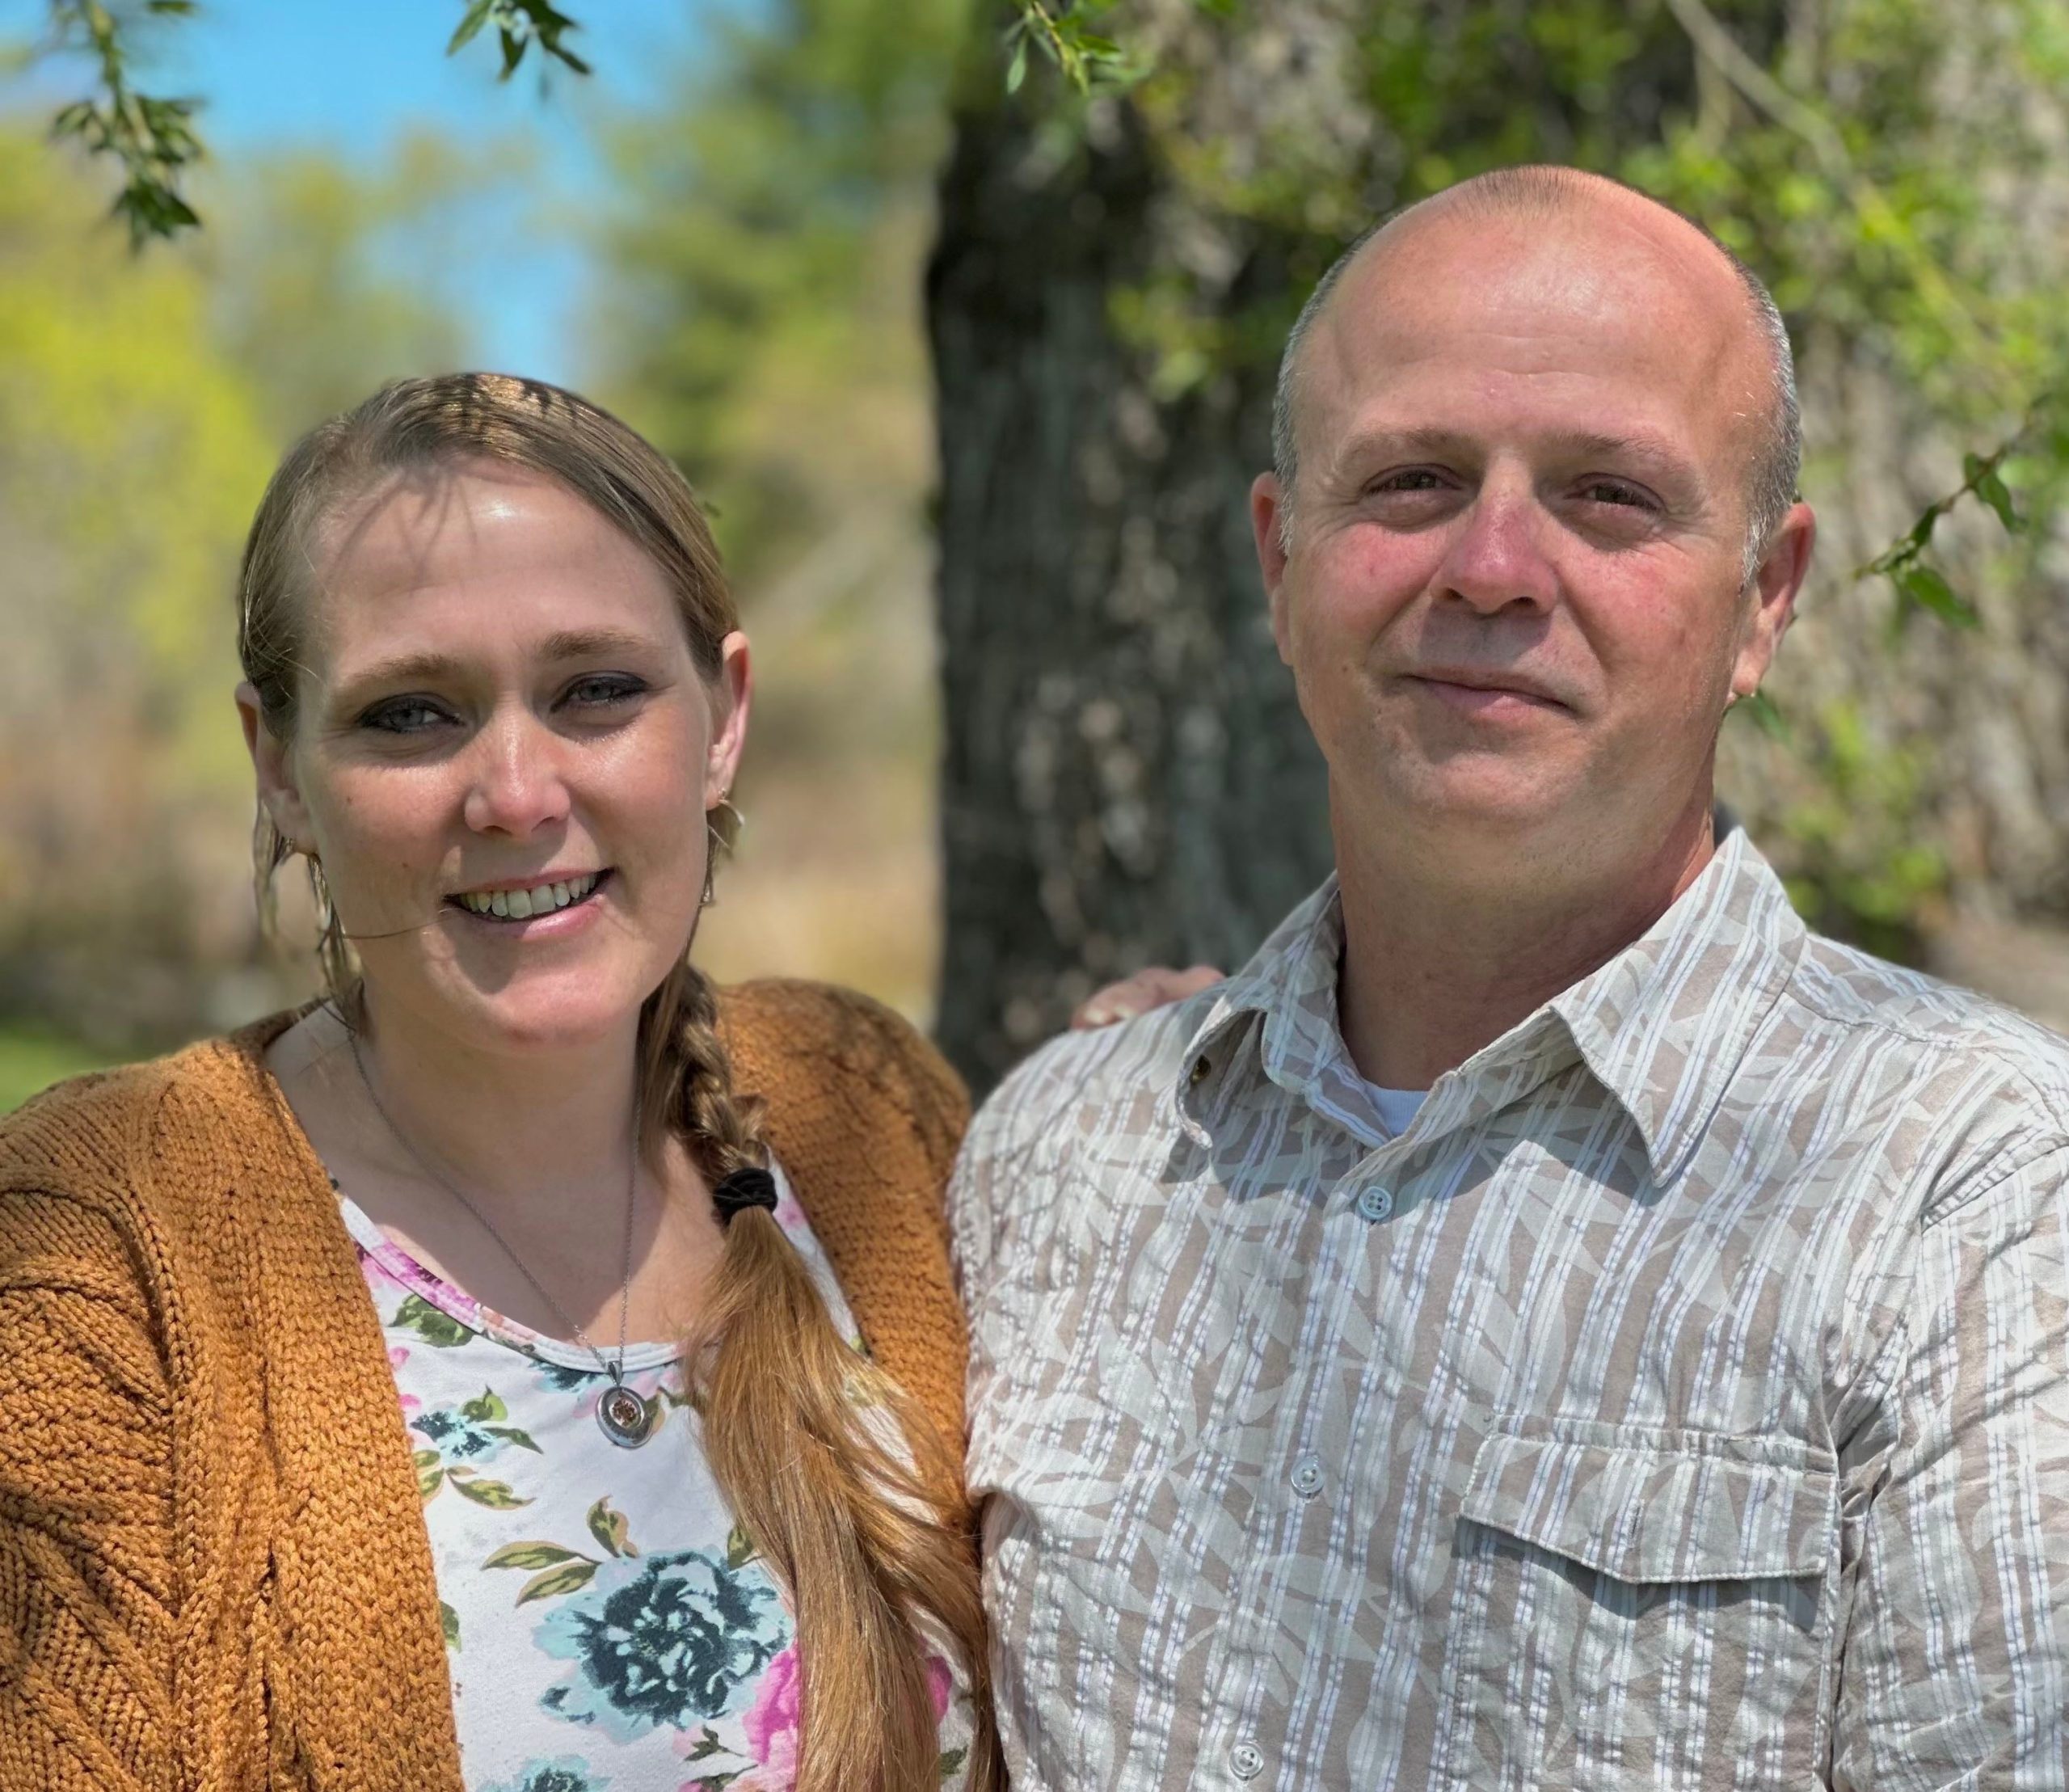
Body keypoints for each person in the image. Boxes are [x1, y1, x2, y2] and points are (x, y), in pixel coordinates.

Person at [950, 165, 2069, 1790]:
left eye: (1607, 494)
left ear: (1762, 596)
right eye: (1406, 479)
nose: (1488, 564)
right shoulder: (1059, 1157)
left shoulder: (1974, 1187)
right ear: (1278, 563)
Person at [0, 373, 1011, 1792]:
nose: (519, 793)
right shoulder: (104, 1243)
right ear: (279, 769)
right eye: (412, 714)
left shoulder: (868, 1107)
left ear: (720, 717)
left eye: (597, 689)